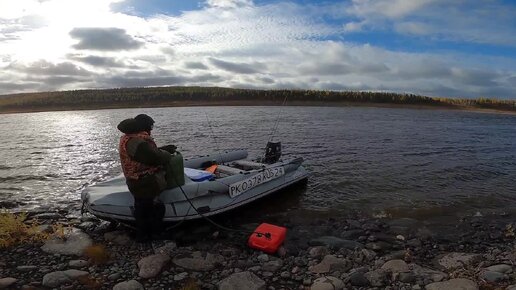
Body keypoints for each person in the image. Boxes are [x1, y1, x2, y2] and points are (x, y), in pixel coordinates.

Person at [117, 114, 183, 239]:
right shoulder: (137, 142)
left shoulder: (129, 138)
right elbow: (155, 158)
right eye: (150, 126)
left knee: (142, 207)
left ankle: (143, 234)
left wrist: (163, 149)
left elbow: (145, 154)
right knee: (152, 208)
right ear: (144, 126)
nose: (151, 129)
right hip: (144, 181)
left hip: (135, 180)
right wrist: (167, 154)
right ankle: (153, 234)